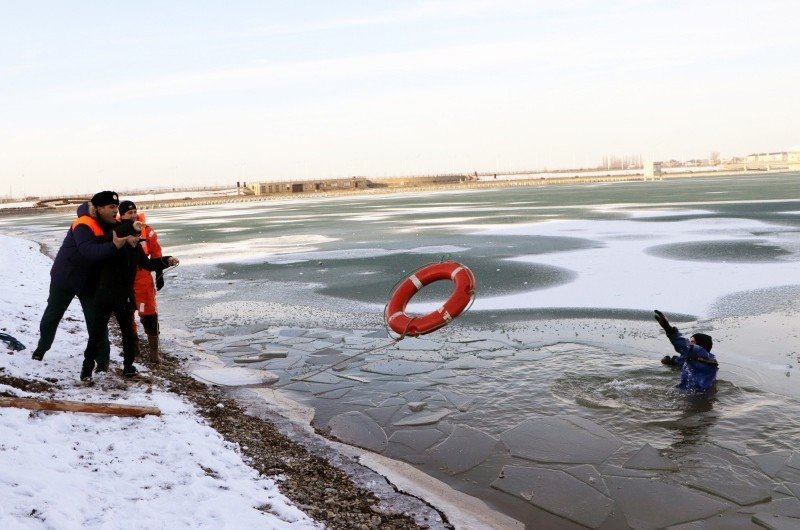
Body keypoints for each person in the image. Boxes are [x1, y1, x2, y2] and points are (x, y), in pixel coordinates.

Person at [31, 191, 134, 364]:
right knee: (52, 316)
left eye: (116, 207)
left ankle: (102, 362)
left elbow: (128, 230)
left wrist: (132, 235)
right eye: (111, 207)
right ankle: (42, 348)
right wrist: (114, 246)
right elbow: (89, 251)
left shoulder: (111, 223)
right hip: (65, 279)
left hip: (90, 283)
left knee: (96, 322)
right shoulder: (83, 224)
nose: (115, 211)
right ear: (99, 208)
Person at [81, 219, 178, 380]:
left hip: (125, 297)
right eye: (133, 238)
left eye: (138, 238)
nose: (136, 242)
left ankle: (128, 367)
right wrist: (126, 230)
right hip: (105, 296)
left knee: (129, 334)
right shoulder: (111, 247)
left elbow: (147, 264)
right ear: (125, 236)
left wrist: (166, 261)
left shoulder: (136, 248)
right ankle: (87, 368)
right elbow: (107, 240)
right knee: (96, 334)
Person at [118, 200, 166, 363]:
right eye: (129, 213)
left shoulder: (147, 231)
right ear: (122, 215)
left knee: (150, 315)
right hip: (124, 280)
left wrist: (159, 272)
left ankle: (154, 354)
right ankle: (134, 348)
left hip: (143, 279)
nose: (133, 215)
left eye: (134, 212)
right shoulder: (116, 230)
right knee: (127, 316)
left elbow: (156, 252)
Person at [654, 309, 718, 392]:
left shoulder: (701, 354)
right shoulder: (700, 359)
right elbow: (683, 361)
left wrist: (668, 329)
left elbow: (685, 347)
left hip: (694, 396)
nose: (690, 344)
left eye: (692, 342)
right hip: (695, 394)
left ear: (701, 345)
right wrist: (672, 361)